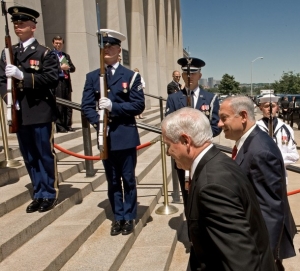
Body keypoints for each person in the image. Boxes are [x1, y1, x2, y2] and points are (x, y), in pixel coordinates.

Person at [162, 107, 276, 271]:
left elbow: (241, 260)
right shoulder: (217, 161)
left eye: (168, 145)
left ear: (186, 141)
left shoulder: (212, 185)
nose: (167, 152)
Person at [218, 95, 296, 269]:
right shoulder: (250, 142)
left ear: (243, 116)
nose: (219, 124)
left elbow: (270, 208)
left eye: (224, 118)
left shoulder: (260, 151)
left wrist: (264, 256)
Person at [81, 29, 145, 236]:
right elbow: (86, 106)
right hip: (105, 136)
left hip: (125, 135)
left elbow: (138, 105)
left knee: (128, 179)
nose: (107, 50)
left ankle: (129, 216)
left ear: (119, 50)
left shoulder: (131, 76)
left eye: (111, 47)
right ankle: (118, 216)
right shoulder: (92, 77)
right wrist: (99, 122)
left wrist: (113, 107)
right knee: (112, 179)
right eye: (104, 47)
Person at [0, 6, 59, 212]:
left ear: (33, 27)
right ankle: (38, 192)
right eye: (16, 23)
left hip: (40, 110)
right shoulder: (9, 52)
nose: (18, 26)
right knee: (29, 155)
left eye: (23, 23)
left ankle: (49, 192)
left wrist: (22, 76)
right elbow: (1, 80)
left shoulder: (45, 53)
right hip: (20, 111)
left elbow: (52, 79)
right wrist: (10, 98)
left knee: (43, 153)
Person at [165, 57, 221, 208]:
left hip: (203, 153)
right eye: (186, 73)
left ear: (200, 76)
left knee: (205, 192)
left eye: (194, 73)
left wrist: (197, 139)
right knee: (187, 196)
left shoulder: (210, 98)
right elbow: (168, 127)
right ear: (182, 75)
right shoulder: (173, 99)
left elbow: (216, 126)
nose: (190, 76)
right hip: (182, 155)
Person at [257, 94, 299, 185]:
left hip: (280, 178)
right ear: (261, 108)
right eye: (266, 106)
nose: (270, 109)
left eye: (272, 106)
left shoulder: (286, 129)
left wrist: (273, 160)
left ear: (277, 108)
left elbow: (294, 156)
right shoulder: (254, 128)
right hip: (259, 178)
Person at [52, 35, 76, 132]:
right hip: (58, 82)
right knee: (60, 105)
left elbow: (73, 68)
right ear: (53, 43)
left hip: (66, 82)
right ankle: (60, 126)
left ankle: (68, 124)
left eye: (60, 43)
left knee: (68, 105)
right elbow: (49, 69)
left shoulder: (65, 56)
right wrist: (60, 68)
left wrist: (68, 68)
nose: (58, 45)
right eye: (56, 43)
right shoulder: (51, 55)